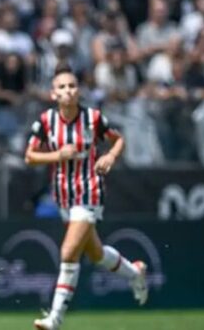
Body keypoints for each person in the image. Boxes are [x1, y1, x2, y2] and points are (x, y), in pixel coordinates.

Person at [25, 62, 148, 330]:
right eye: (62, 87)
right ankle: (136, 272)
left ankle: (54, 318)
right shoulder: (46, 122)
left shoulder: (93, 118)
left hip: (89, 191)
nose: (68, 91)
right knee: (95, 253)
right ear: (53, 93)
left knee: (68, 251)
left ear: (79, 90)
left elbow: (118, 140)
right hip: (62, 196)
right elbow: (30, 156)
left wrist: (110, 156)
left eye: (72, 86)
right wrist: (57, 155)